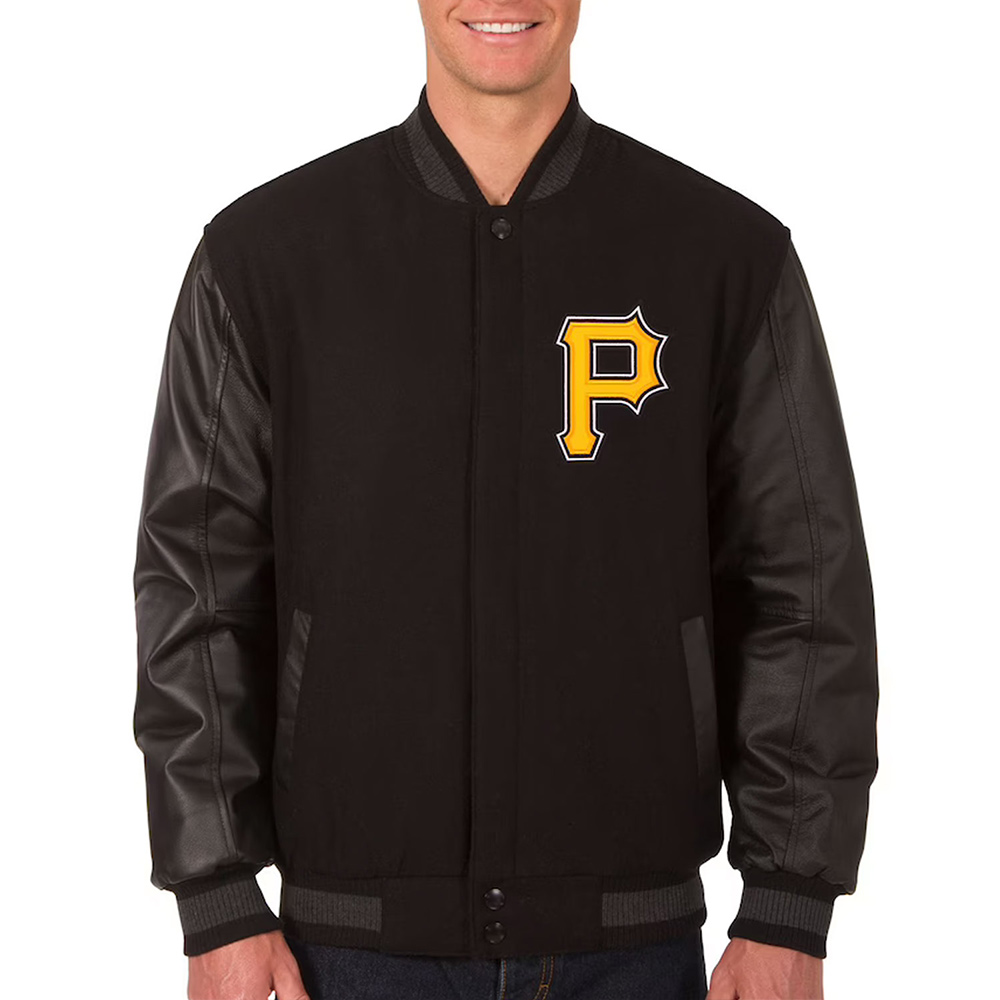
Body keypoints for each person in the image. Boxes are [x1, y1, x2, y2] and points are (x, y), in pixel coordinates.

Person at [131, 2, 879, 998]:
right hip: (346, 956)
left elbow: (805, 587)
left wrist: (790, 903)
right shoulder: (266, 260)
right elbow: (196, 589)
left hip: (633, 950)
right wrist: (216, 892)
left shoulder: (723, 256)